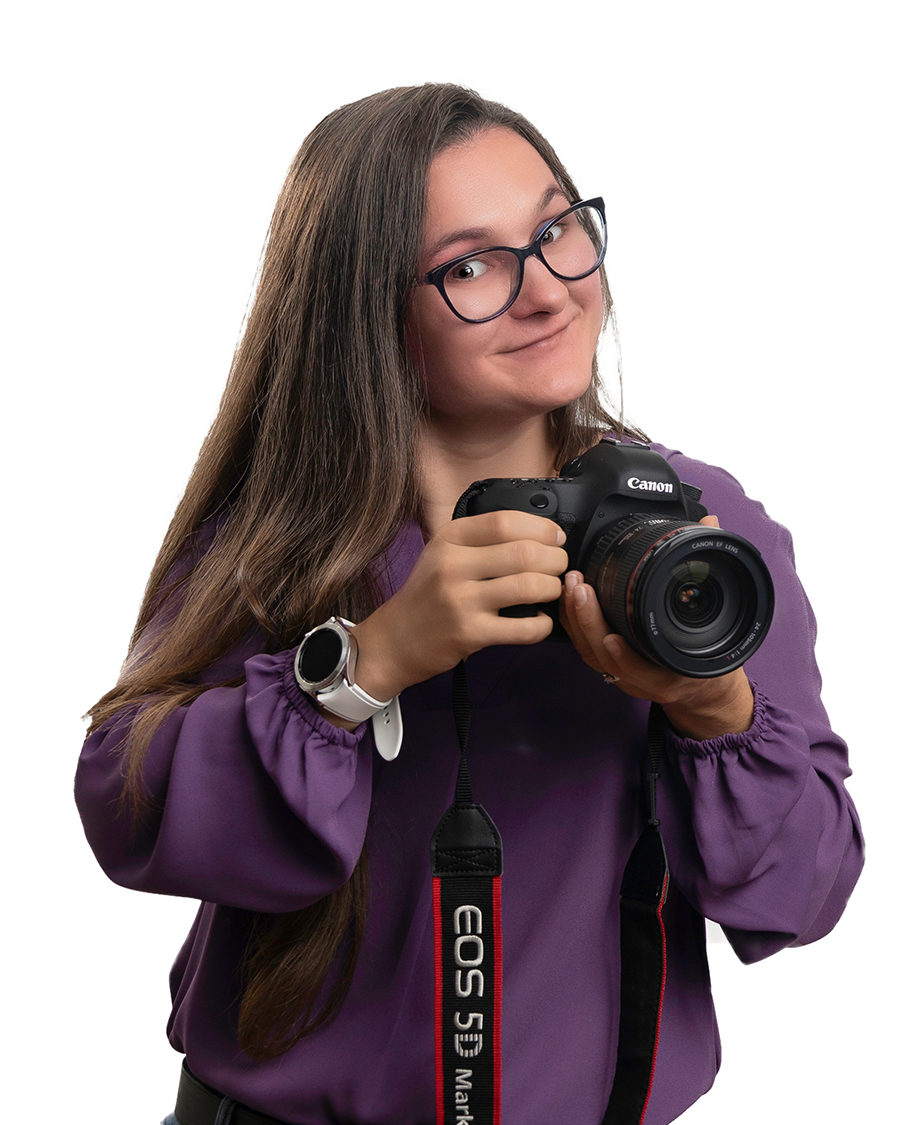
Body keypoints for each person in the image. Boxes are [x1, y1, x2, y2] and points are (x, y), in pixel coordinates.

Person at [75, 84, 863, 1125]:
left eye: (557, 230)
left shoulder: (703, 543)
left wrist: (716, 712)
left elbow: (803, 894)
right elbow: (128, 808)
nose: (547, 291)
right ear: (367, 306)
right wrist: (361, 667)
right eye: (473, 266)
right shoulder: (282, 536)